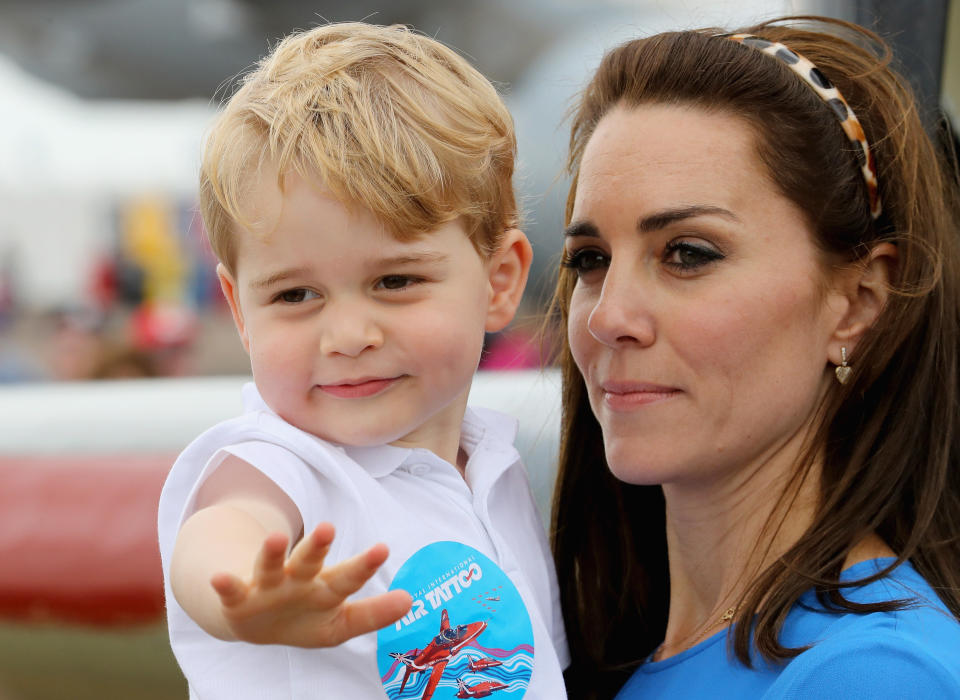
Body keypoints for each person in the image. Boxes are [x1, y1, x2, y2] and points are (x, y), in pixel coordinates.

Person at [548, 16, 960, 699]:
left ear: (858, 301)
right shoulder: (588, 648)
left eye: (688, 253)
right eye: (590, 260)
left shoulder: (873, 676)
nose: (609, 316)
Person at [157, 22, 568, 699]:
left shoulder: (491, 466)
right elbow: (224, 528)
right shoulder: (284, 460)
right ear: (240, 311)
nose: (347, 334)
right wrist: (245, 593)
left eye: (395, 281)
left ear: (499, 281)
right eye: (295, 294)